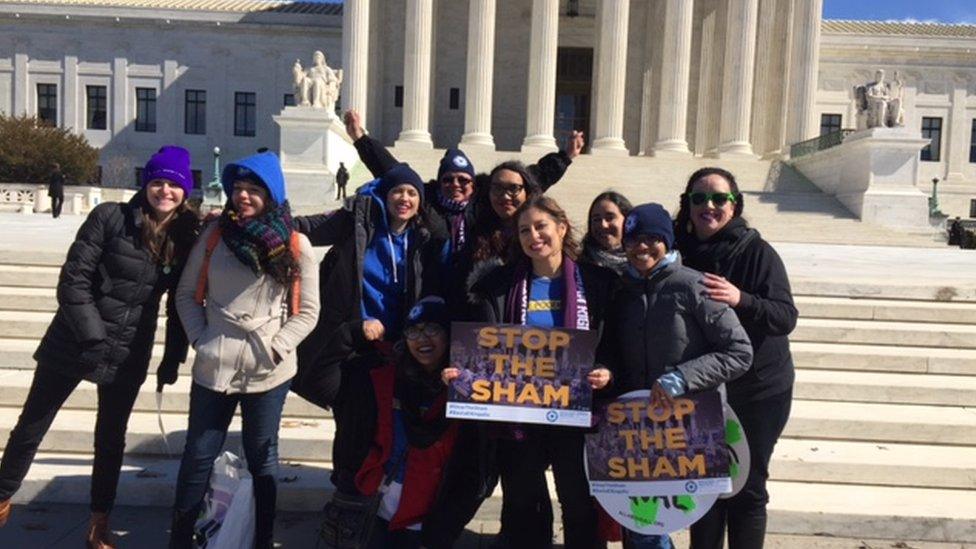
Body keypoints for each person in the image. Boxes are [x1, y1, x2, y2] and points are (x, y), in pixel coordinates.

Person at [0, 146, 198, 548]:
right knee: (31, 427)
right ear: (145, 184)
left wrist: (172, 357)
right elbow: (73, 281)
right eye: (157, 182)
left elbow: (180, 303)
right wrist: (93, 336)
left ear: (185, 192)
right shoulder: (110, 217)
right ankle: (2, 500)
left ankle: (98, 525)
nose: (165, 191)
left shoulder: (183, 237)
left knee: (110, 440)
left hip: (128, 350)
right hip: (73, 341)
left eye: (174, 185)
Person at [427, 195, 617, 549]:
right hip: (519, 415)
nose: (534, 236)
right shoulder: (498, 287)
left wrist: (606, 371)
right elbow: (485, 350)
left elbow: (613, 344)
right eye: (525, 230)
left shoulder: (599, 283)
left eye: (541, 226)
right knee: (524, 501)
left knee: (577, 500)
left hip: (576, 414)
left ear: (561, 228)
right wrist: (460, 374)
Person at [169, 151, 320, 549]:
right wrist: (202, 339)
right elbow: (186, 294)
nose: (244, 197)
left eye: (254, 190)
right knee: (198, 455)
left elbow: (308, 311)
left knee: (262, 458)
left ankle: (261, 537)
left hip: (267, 368)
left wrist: (278, 347)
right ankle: (181, 538)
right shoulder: (214, 235)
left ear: (272, 195)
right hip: (214, 361)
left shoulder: (294, 243)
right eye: (238, 189)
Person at [601, 202, 753, 549]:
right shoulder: (622, 290)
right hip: (638, 426)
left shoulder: (694, 286)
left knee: (662, 519)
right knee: (643, 520)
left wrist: (682, 378)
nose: (642, 247)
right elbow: (612, 349)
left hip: (688, 425)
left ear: (667, 242)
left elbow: (739, 352)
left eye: (652, 238)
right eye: (634, 239)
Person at [674, 168, 798, 549]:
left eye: (718, 199)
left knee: (747, 485)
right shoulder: (678, 250)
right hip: (704, 390)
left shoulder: (757, 252)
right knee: (705, 485)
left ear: (735, 204)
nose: (708, 206)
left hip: (758, 390)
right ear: (687, 206)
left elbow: (784, 316)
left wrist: (740, 298)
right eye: (698, 199)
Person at [290, 163, 445, 411]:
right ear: (385, 194)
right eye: (398, 191)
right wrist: (254, 220)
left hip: (397, 346)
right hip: (352, 341)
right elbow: (305, 228)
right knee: (352, 420)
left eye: (412, 193)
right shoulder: (355, 222)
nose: (404, 198)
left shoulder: (422, 237)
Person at [342, 109, 583, 256]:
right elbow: (394, 172)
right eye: (448, 180)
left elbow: (533, 177)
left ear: (474, 184)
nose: (455, 185)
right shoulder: (426, 199)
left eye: (463, 180)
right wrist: (361, 139)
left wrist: (565, 157)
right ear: (439, 182)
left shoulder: (482, 202)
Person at [323, 296, 458, 549]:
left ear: (448, 335)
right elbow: (318, 380)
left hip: (428, 515)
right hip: (378, 506)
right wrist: (348, 334)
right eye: (413, 331)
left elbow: (471, 470)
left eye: (432, 329)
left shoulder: (465, 386)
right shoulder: (386, 376)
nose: (422, 338)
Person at [580, 191, 633, 275]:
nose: (603, 225)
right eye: (596, 219)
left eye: (610, 218)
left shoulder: (642, 264)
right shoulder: (579, 268)